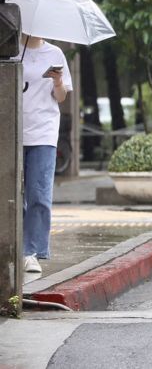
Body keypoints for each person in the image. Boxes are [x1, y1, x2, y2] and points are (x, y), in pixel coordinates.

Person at [15, 35, 72, 274]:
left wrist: (58, 82)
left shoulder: (55, 54)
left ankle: (31, 252)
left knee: (39, 193)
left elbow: (61, 98)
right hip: (14, 129)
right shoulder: (11, 50)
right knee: (15, 196)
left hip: (44, 133)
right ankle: (16, 247)